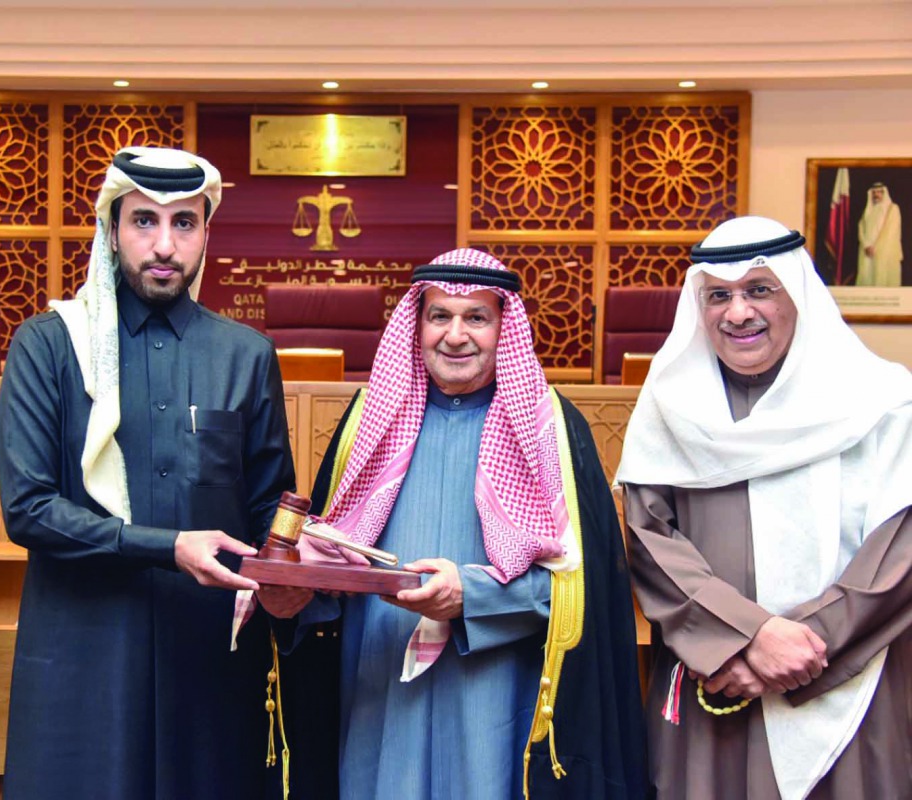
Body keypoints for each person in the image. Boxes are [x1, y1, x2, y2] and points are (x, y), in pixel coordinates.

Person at [255, 248, 648, 800]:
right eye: (440, 316)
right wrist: (295, 592)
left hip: (493, 689)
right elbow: (336, 557)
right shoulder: (369, 420)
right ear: (416, 326)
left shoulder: (551, 429)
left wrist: (476, 596)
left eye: (477, 318)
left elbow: (584, 587)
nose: (456, 335)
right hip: (378, 685)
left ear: (503, 326)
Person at [0, 147, 296, 799]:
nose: (164, 245)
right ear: (111, 229)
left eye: (183, 224)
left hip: (209, 662)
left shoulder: (246, 356)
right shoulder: (48, 346)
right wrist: (168, 547)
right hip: (84, 654)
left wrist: (291, 562)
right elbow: (28, 509)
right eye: (143, 222)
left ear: (206, 235)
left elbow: (270, 506)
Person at [618, 215, 912, 799]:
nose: (738, 312)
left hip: (851, 677)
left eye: (759, 290)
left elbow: (898, 549)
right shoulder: (669, 404)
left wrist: (799, 645)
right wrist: (746, 639)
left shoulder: (882, 400)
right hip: (715, 675)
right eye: (719, 296)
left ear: (797, 294)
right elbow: (649, 540)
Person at [856, 182, 903, 287]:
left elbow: (891, 232)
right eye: (874, 192)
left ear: (884, 193)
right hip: (867, 252)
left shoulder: (893, 209)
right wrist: (866, 245)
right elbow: (861, 228)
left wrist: (876, 248)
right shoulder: (868, 211)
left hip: (884, 252)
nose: (876, 195)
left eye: (879, 192)